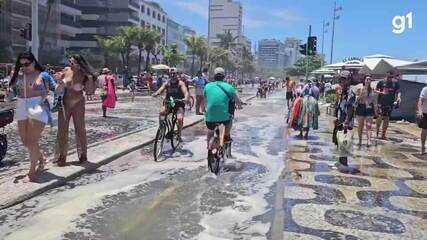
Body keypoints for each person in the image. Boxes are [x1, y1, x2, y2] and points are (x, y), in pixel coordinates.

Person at [8, 52, 62, 182]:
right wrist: (10, 88)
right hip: (21, 105)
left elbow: (57, 90)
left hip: (37, 105)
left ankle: (32, 172)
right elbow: (13, 90)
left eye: (26, 64)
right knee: (25, 141)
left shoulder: (43, 75)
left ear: (33, 62)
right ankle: (42, 159)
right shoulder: (18, 74)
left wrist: (62, 81)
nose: (24, 67)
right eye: (21, 65)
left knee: (32, 140)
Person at [55, 54, 95, 166]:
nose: (71, 64)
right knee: (62, 130)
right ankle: (61, 156)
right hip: (65, 103)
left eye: (74, 63)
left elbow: (90, 91)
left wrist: (90, 79)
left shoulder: (83, 74)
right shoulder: (66, 70)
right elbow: (58, 90)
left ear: (79, 64)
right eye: (70, 62)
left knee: (80, 129)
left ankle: (83, 155)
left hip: (78, 103)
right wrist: (60, 81)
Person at [204, 67, 242, 149]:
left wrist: (206, 111)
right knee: (230, 119)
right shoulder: (229, 87)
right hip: (224, 118)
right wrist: (240, 105)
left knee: (210, 131)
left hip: (209, 117)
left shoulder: (207, 86)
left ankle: (208, 147)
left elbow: (205, 101)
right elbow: (237, 100)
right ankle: (226, 137)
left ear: (214, 76)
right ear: (224, 76)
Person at [152, 70, 189, 138]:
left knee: (180, 119)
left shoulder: (181, 83)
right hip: (169, 103)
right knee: (161, 112)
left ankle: (179, 133)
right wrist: (156, 93)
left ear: (177, 74)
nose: (172, 75)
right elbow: (161, 89)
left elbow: (185, 92)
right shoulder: (167, 83)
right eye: (171, 73)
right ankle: (161, 129)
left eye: (174, 73)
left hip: (179, 104)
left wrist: (186, 98)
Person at [333, 74, 356, 172]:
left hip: (346, 121)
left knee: (344, 142)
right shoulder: (343, 91)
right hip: (340, 119)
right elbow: (340, 106)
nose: (342, 82)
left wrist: (346, 122)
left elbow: (351, 108)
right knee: (339, 141)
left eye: (344, 80)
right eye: (341, 80)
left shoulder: (350, 92)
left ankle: (344, 164)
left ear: (348, 80)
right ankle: (340, 162)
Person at [375, 72, 401, 140]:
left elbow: (398, 91)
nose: (390, 78)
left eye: (391, 77)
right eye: (389, 77)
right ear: (386, 75)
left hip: (390, 103)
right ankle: (377, 132)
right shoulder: (381, 82)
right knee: (380, 117)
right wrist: (381, 92)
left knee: (387, 118)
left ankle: (383, 135)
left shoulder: (395, 83)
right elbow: (375, 90)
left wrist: (398, 97)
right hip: (381, 102)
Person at [355, 76, 375, 146]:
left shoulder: (372, 89)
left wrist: (376, 109)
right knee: (360, 125)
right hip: (361, 107)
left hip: (369, 107)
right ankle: (360, 140)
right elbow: (357, 99)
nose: (368, 81)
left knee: (369, 125)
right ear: (364, 80)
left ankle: (368, 140)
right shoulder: (360, 88)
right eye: (367, 79)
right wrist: (361, 94)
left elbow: (373, 99)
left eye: (369, 79)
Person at [417, 85, 427, 155]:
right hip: (425, 113)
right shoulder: (425, 89)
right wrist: (420, 111)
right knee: (424, 130)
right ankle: (423, 147)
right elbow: (420, 100)